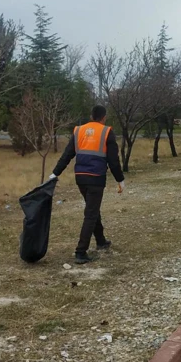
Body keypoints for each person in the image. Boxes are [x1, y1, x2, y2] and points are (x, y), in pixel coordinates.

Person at [50, 105, 125, 264]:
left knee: (92, 208)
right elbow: (113, 160)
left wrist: (55, 173)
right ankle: (80, 252)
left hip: (81, 178)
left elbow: (67, 155)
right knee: (91, 213)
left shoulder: (79, 131)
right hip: (96, 178)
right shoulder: (107, 132)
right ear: (104, 117)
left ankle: (101, 241)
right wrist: (120, 180)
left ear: (91, 115)